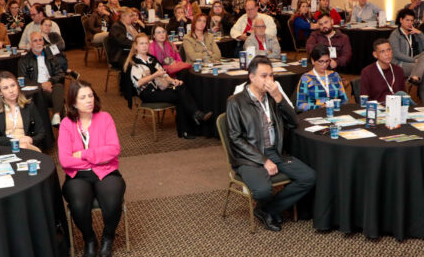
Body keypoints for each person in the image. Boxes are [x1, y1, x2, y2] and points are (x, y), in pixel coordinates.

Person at [225, 56, 315, 232]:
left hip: (275, 151)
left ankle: (266, 209)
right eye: (264, 76)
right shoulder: (235, 102)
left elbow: (293, 122)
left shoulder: (273, 97)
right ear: (251, 77)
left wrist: (279, 98)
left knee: (309, 177)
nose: (269, 80)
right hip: (249, 157)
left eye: (271, 76)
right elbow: (235, 139)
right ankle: (268, 207)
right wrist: (263, 160)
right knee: (263, 191)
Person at [57, 80, 126, 257]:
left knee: (112, 202)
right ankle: (89, 239)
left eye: (90, 96)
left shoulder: (105, 118)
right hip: (78, 175)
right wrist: (96, 158)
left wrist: (84, 154)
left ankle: (107, 237)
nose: (89, 100)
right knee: (78, 205)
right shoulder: (66, 124)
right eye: (83, 97)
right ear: (73, 103)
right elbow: (65, 160)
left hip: (107, 172)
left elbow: (113, 150)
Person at [125, 33, 212, 139]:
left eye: (146, 43)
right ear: (136, 46)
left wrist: (173, 81)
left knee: (180, 89)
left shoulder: (151, 59)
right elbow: (138, 83)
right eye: (141, 44)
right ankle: (193, 118)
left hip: (158, 89)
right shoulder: (134, 62)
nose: (144, 46)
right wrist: (154, 75)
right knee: (181, 95)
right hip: (147, 93)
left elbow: (164, 74)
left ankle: (191, 122)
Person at [0, 71, 46, 152]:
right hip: (6, 149)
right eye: (5, 88)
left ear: (18, 86)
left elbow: (41, 133)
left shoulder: (29, 106)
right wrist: (17, 141)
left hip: (28, 147)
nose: (11, 90)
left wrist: (31, 139)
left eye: (13, 85)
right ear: (0, 92)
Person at [18, 29, 68, 124]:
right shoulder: (24, 61)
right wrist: (41, 86)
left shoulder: (51, 57)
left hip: (50, 89)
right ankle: (58, 122)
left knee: (59, 87)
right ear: (30, 44)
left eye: (40, 40)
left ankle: (56, 116)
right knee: (58, 98)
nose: (38, 43)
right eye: (35, 41)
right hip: (35, 92)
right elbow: (23, 81)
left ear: (43, 42)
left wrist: (50, 82)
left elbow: (60, 73)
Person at [389, 9, 424, 104]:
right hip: (400, 64)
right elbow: (396, 54)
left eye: (412, 20)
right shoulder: (395, 35)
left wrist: (420, 33)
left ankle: (415, 77)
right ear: (401, 20)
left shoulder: (413, 33)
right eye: (407, 20)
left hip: (414, 63)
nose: (410, 23)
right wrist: (414, 60)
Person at [296, 45, 347, 111]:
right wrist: (319, 107)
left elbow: (345, 100)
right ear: (313, 61)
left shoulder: (335, 75)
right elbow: (300, 105)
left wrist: (337, 105)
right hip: (314, 114)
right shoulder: (306, 78)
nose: (325, 64)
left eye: (327, 61)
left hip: (334, 112)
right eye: (321, 61)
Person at [359, 38, 407, 103]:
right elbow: (364, 99)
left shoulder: (399, 70)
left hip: (397, 107)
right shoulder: (367, 72)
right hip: (378, 108)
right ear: (375, 54)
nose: (387, 54)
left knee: (402, 94)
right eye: (382, 51)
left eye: (389, 50)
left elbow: (404, 97)